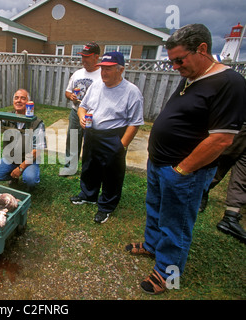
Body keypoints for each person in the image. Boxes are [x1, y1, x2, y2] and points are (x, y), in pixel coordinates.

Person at [126, 24, 246, 295]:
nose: (175, 66)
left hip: (185, 171)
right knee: (155, 209)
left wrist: (182, 169)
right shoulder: (192, 76)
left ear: (202, 49)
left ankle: (167, 273)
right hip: (160, 163)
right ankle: (152, 245)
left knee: (176, 222)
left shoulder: (230, 83)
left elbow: (222, 139)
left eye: (179, 60)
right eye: (171, 62)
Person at [70, 52, 144, 224]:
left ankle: (106, 206)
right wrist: (81, 115)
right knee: (89, 166)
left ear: (121, 70)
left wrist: (122, 145)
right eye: (102, 68)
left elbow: (135, 122)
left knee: (112, 172)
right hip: (92, 133)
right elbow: (83, 106)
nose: (103, 72)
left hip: (113, 136)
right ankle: (88, 195)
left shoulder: (132, 92)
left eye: (108, 69)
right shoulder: (96, 85)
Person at [0, 89, 46, 191]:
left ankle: (29, 182)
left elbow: (37, 151)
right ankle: (13, 176)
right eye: (16, 98)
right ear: (13, 102)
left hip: (29, 160)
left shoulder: (36, 123)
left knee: (31, 179)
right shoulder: (7, 117)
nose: (19, 101)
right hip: (10, 159)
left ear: (28, 103)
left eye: (23, 98)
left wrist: (20, 168)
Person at [60, 42, 102, 177]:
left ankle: (88, 170)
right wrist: (70, 96)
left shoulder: (103, 75)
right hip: (75, 112)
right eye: (82, 56)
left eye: (87, 56)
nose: (83, 59)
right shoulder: (78, 74)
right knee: (72, 140)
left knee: (91, 143)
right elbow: (67, 91)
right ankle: (70, 167)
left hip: (94, 115)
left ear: (96, 57)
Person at [199, 124, 246, 243]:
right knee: (222, 160)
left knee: (243, 172)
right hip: (240, 125)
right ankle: (202, 191)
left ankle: (231, 216)